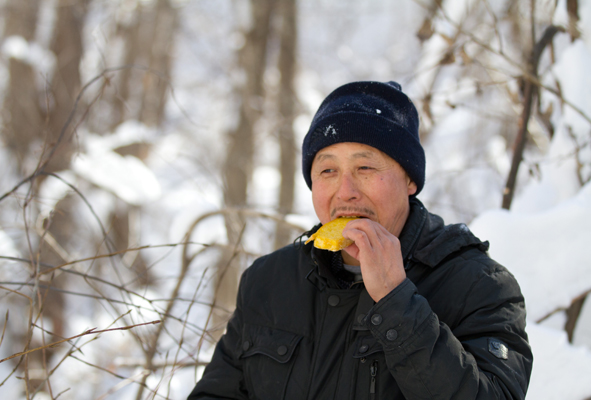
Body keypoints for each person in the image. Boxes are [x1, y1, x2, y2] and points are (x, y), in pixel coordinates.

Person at [188, 81, 533, 399]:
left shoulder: (480, 286)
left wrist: (396, 301)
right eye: (327, 171)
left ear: (409, 179)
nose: (346, 192)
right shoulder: (269, 280)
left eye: (365, 168)